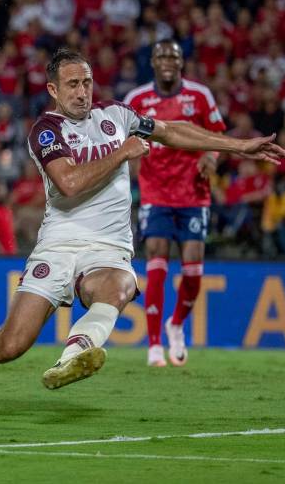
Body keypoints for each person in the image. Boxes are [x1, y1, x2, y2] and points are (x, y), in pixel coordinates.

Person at [0, 49, 285, 407]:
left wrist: (238, 146)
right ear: (53, 90)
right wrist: (122, 153)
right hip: (59, 245)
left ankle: (73, 357)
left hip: (109, 247)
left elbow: (171, 131)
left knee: (122, 284)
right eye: (72, 85)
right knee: (10, 345)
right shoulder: (47, 131)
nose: (82, 92)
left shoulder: (115, 114)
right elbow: (69, 182)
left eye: (87, 82)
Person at [123, 39, 226, 368]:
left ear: (182, 63)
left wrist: (210, 157)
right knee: (156, 259)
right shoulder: (136, 99)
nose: (168, 60)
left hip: (193, 193)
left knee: (194, 268)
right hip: (155, 192)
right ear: (152, 62)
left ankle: (176, 324)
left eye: (174, 56)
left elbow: (218, 136)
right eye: (162, 55)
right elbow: (121, 140)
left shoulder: (199, 95)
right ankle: (153, 344)